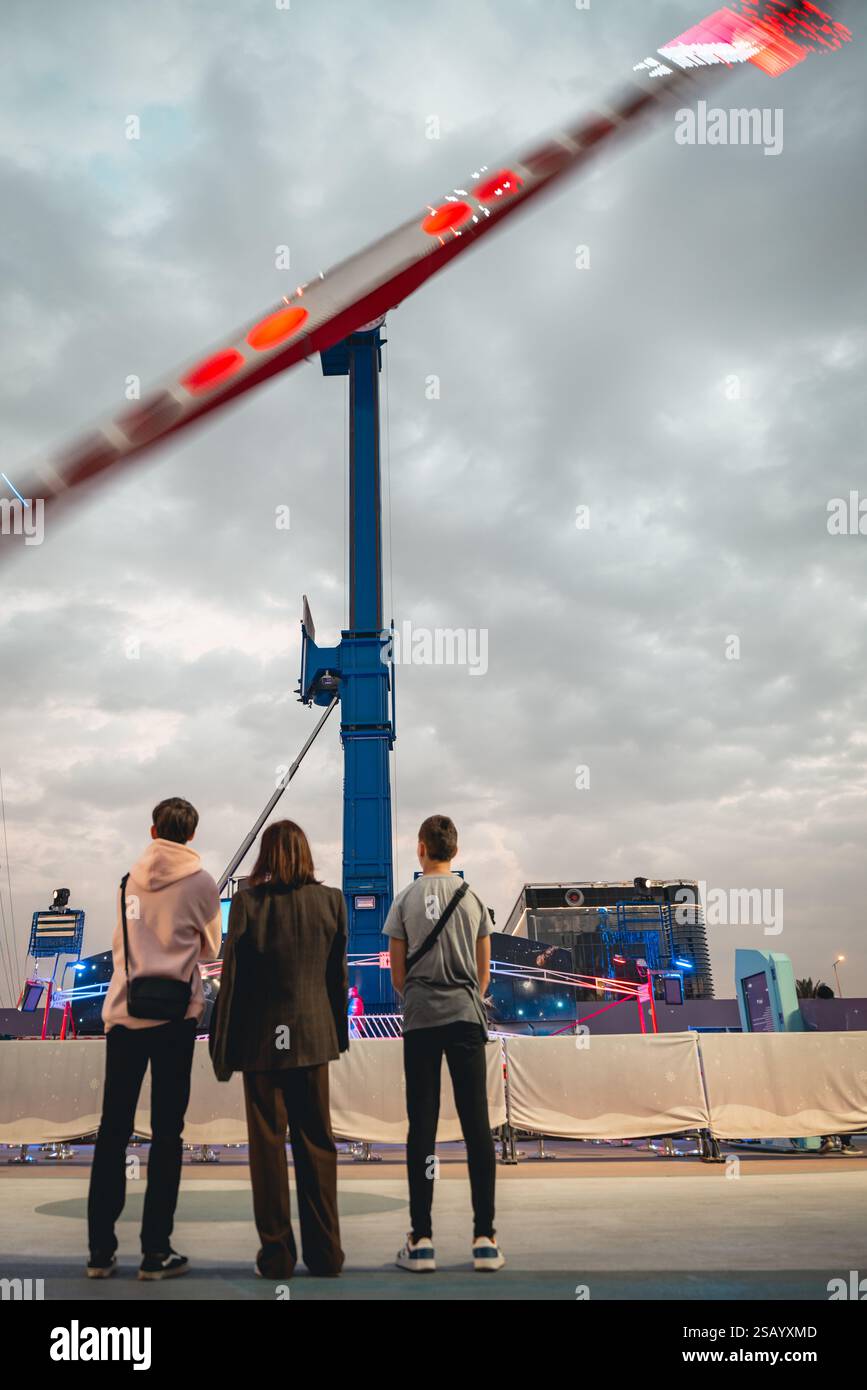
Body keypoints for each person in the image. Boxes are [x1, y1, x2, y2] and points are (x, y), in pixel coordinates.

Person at [87, 797, 222, 1281]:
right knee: (168, 1134)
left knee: (113, 1130)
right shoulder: (203, 883)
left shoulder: (128, 881)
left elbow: (124, 944)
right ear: (191, 835)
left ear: (152, 831)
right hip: (174, 1021)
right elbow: (211, 947)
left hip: (124, 1015)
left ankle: (100, 1253)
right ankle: (155, 1251)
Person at [209, 820, 348, 1279]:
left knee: (267, 1148)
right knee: (317, 1146)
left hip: (261, 1046)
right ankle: (327, 1255)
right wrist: (336, 1036)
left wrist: (223, 1049)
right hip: (313, 1040)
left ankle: (276, 1257)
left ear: (265, 856)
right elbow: (336, 980)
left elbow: (232, 985)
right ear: (306, 854)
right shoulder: (332, 902)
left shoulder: (248, 904)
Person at [385, 813, 504, 1273]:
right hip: (465, 1020)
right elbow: (483, 975)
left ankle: (422, 1240)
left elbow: (398, 976)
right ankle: (485, 1239)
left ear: (421, 848)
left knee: (423, 1127)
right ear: (454, 851)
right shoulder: (472, 899)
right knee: (477, 1126)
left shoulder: (403, 901)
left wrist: (422, 995)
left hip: (420, 1022)